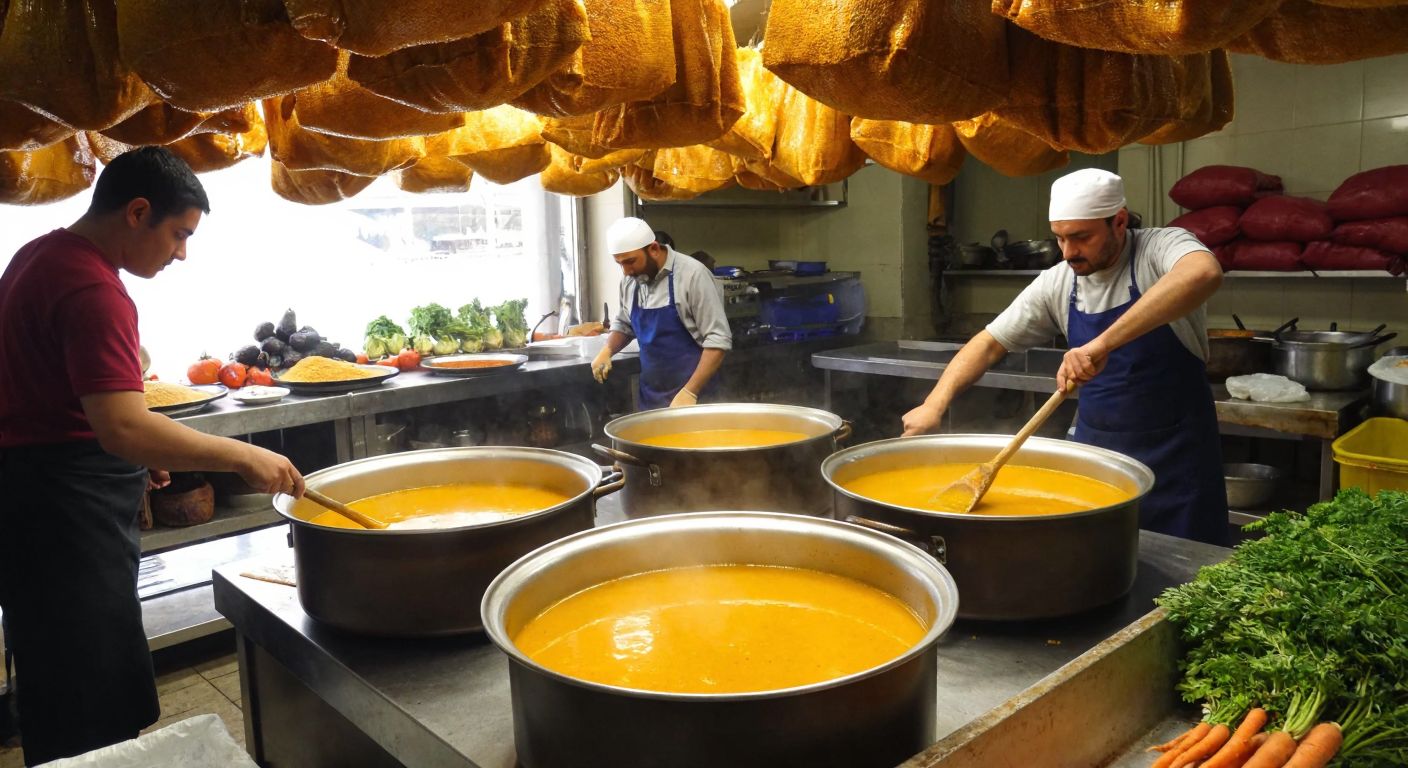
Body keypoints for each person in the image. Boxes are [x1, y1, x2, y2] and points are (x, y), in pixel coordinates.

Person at [0, 147, 305, 765]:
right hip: (63, 522)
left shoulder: (40, 255)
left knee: (56, 678)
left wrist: (135, 456)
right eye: (178, 234)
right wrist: (241, 457)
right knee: (90, 696)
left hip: (32, 504)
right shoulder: (92, 288)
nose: (181, 254)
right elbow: (120, 425)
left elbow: (59, 400)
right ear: (138, 212)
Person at [901, 168, 1229, 545]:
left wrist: (1100, 345)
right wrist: (933, 404)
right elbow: (989, 343)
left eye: (1081, 237)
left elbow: (1203, 273)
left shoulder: (1159, 248)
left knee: (1186, 577)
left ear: (1119, 222)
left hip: (1178, 462)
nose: (1069, 251)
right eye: (1059, 238)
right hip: (1097, 460)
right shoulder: (1061, 280)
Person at [592, 217, 731, 409]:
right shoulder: (630, 281)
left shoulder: (692, 275)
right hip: (651, 398)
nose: (625, 271)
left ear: (654, 249)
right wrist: (607, 351)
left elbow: (718, 340)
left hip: (698, 398)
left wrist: (690, 392)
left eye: (631, 261)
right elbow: (625, 324)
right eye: (620, 264)